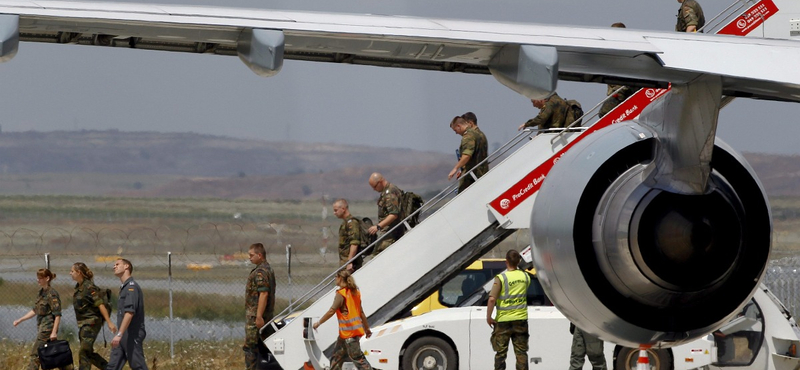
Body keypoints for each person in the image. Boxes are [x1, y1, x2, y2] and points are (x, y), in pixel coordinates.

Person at [13, 268, 74, 370]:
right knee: (54, 352)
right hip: (42, 327)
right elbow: (35, 310)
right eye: (37, 278)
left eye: (40, 278)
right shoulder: (41, 293)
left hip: (47, 329)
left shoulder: (52, 294)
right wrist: (20, 320)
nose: (38, 280)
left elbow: (57, 315)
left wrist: (54, 332)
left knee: (35, 354)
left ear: (47, 278)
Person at [312, 270, 373, 370]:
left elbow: (332, 311)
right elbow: (361, 313)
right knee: (336, 359)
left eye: (336, 277)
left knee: (358, 360)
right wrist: (367, 329)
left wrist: (318, 323)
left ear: (340, 278)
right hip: (346, 335)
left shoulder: (341, 294)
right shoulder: (355, 292)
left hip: (349, 335)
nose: (335, 279)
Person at [486, 250, 531, 370]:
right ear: (518, 261)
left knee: (501, 354)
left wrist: (489, 317)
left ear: (506, 261)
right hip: (521, 320)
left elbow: (491, 299)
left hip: (503, 321)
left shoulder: (501, 278)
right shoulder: (526, 277)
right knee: (521, 353)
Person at [70, 262, 117, 370]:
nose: (70, 273)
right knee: (87, 352)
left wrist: (109, 322)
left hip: (91, 323)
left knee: (84, 351)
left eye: (72, 271)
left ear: (79, 272)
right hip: (83, 324)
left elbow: (100, 304)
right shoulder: (79, 287)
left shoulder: (89, 287)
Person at [106, 258, 148, 370]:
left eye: (117, 264)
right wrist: (120, 335)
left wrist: (119, 334)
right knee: (112, 366)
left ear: (126, 267)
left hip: (131, 334)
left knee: (137, 365)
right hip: (123, 335)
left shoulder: (131, 287)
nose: (114, 267)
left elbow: (129, 313)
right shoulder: (125, 287)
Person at [244, 243, 276, 370]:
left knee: (250, 347)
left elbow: (263, 293)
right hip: (265, 315)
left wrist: (258, 316)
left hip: (256, 316)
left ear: (259, 255)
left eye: (251, 255)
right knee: (265, 345)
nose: (249, 258)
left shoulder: (261, 272)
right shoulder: (268, 269)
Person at [599, 23, 635, 118]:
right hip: (617, 92)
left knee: (604, 113)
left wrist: (620, 92)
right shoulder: (613, 51)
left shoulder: (629, 51)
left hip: (623, 92)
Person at [367, 172, 404, 256]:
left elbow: (393, 215)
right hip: (389, 232)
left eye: (375, 187)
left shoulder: (390, 192)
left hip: (392, 233)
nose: (374, 189)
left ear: (380, 182)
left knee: (376, 256)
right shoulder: (387, 191)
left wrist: (378, 226)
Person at [449, 116, 488, 193]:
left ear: (459, 126)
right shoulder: (478, 134)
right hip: (482, 172)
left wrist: (455, 168)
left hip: (472, 176)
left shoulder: (468, 137)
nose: (456, 133)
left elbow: (467, 155)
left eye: (455, 130)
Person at [333, 198, 364, 272]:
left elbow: (354, 243)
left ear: (343, 209)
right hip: (345, 263)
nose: (334, 213)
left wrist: (349, 262)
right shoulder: (345, 223)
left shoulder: (352, 223)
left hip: (350, 265)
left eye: (336, 210)